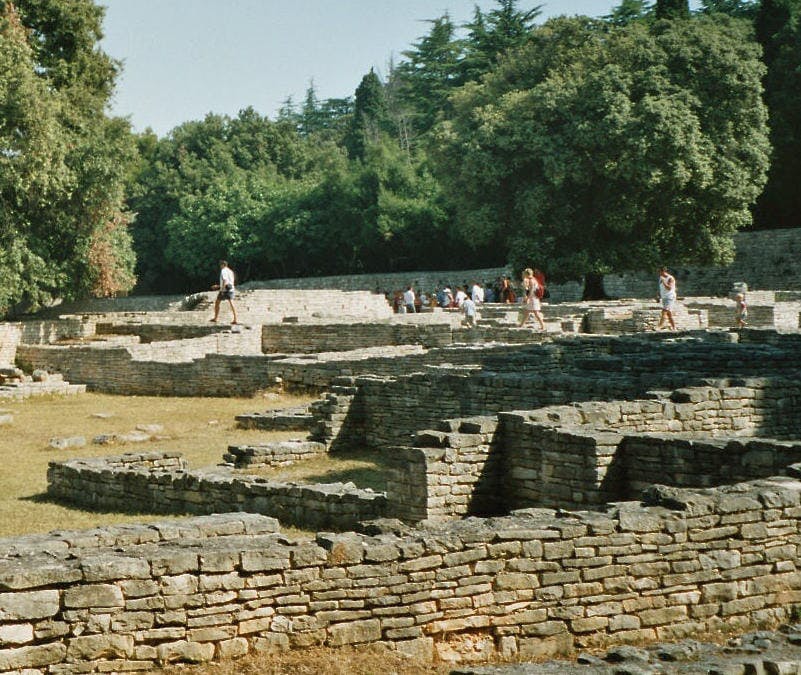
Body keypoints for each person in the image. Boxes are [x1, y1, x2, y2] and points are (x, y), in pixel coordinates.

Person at [210, 260, 238, 324]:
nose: (220, 267)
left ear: (223, 265)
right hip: (231, 288)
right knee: (231, 303)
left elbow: (225, 280)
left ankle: (215, 318)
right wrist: (218, 286)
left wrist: (222, 289)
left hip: (225, 289)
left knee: (217, 303)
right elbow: (230, 281)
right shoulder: (230, 271)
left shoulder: (223, 271)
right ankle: (235, 318)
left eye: (220, 265)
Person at [657, 266, 677, 331]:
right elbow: (661, 287)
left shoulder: (670, 278)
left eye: (659, 271)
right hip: (664, 297)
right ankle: (674, 327)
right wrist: (658, 294)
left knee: (664, 311)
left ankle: (659, 326)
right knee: (669, 313)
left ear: (663, 271)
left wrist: (664, 281)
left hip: (670, 297)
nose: (658, 273)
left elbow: (669, 288)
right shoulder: (661, 278)